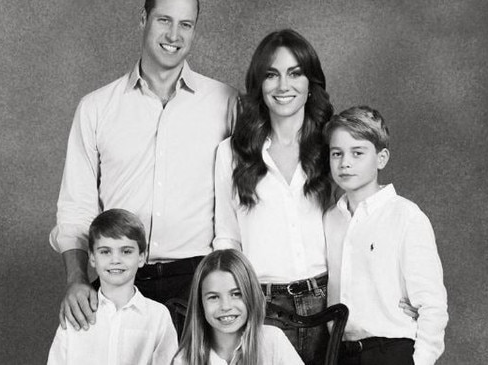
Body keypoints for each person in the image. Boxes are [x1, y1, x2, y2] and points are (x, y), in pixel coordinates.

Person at [49, 0, 238, 332]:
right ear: (143, 19)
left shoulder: (226, 103)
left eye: (186, 24)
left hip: (198, 285)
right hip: (119, 280)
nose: (174, 35)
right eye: (164, 20)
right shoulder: (95, 108)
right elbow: (75, 207)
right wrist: (77, 279)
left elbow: (247, 199)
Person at [213, 29, 333, 364]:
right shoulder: (231, 153)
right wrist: (232, 302)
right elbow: (227, 238)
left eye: (295, 74)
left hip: (328, 303)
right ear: (259, 85)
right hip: (261, 306)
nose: (283, 86)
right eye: (272, 75)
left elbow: (359, 222)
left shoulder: (331, 148)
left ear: (311, 85)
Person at [323, 106, 449, 365]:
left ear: (381, 158)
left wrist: (420, 361)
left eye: (357, 153)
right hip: (340, 353)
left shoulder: (406, 216)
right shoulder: (330, 220)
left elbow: (432, 304)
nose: (345, 162)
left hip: (389, 351)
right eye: (337, 153)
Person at [47, 209, 178, 364]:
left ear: (141, 257)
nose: (115, 259)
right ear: (92, 258)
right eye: (105, 252)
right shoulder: (78, 312)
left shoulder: (158, 316)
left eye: (126, 251)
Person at [172, 249, 303, 365]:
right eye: (213, 297)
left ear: (250, 296)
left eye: (236, 294)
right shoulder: (184, 359)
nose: (225, 306)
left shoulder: (273, 340)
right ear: (200, 303)